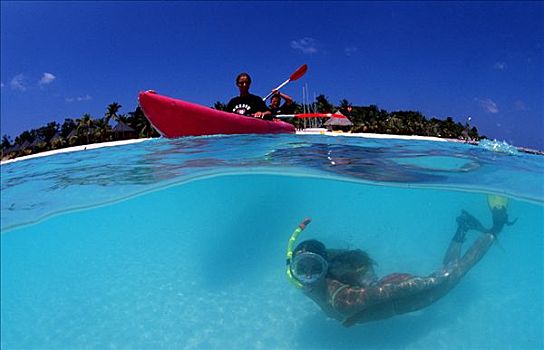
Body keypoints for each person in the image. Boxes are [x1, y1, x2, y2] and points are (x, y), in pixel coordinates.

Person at [285, 195, 516, 327]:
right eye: (301, 268)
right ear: (292, 267)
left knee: (453, 275)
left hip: (397, 293)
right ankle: (463, 227)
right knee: (449, 273)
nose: (307, 276)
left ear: (325, 268)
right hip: (385, 292)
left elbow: (390, 292)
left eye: (315, 268)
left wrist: (435, 280)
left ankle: (497, 225)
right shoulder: (306, 282)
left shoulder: (344, 301)